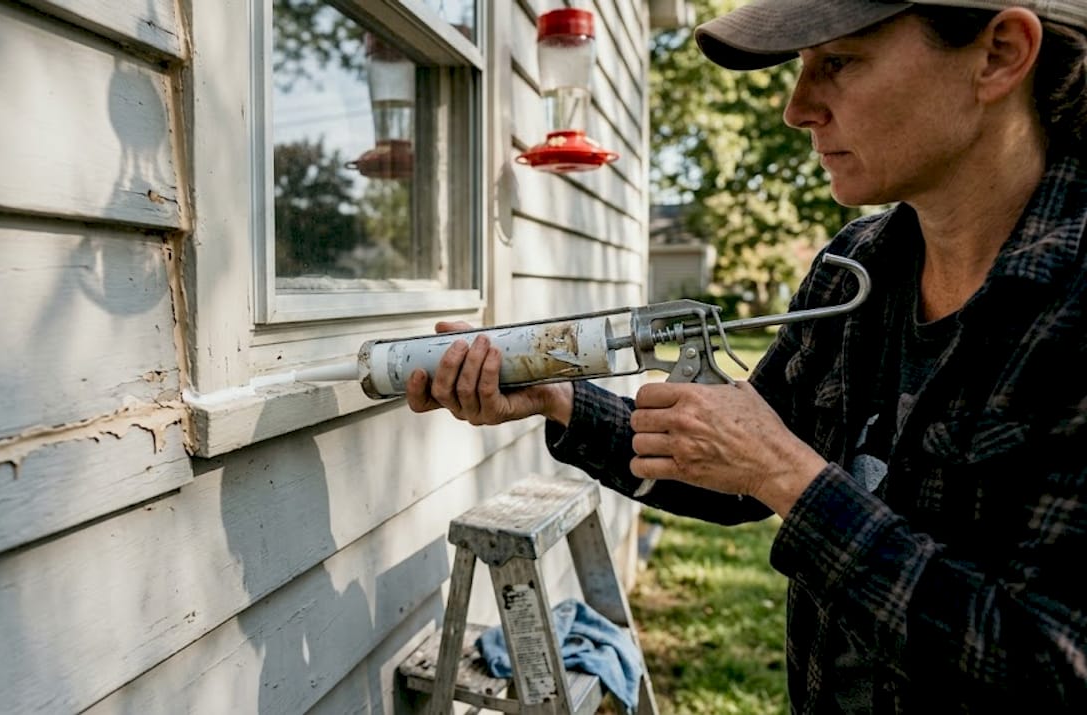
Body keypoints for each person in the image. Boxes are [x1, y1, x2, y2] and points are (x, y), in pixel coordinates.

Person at [406, 1, 1087, 712]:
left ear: (999, 54)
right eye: (799, 69)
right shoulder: (856, 271)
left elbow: (1049, 666)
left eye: (840, 61)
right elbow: (729, 479)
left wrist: (784, 471)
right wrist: (559, 396)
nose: (797, 110)